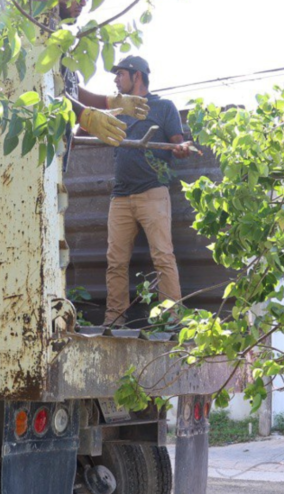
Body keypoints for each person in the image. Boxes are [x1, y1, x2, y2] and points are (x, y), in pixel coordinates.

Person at [104, 55, 193, 326]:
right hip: (120, 197)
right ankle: (114, 320)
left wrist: (182, 149)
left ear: (137, 76)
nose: (116, 80)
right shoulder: (118, 110)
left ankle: (172, 320)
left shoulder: (163, 107)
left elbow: (178, 147)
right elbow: (86, 127)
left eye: (120, 74)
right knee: (115, 262)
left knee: (162, 257)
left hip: (153, 193)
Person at [56, 2, 149, 152]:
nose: (84, 2)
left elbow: (71, 91)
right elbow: (43, 92)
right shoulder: (37, 35)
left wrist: (109, 102)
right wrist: (83, 114)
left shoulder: (58, 38)